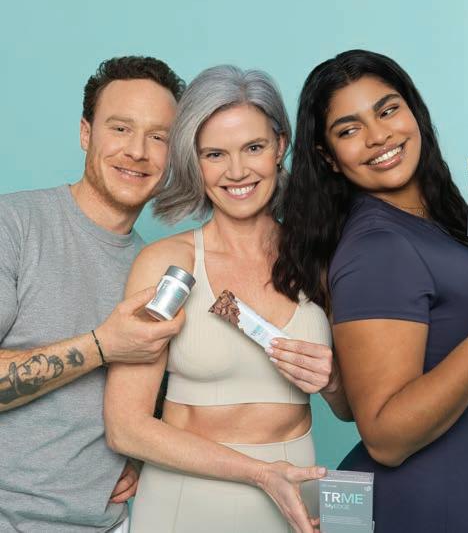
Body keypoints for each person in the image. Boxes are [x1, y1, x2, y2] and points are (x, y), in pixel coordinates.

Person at [274, 49, 468, 533]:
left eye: (388, 110)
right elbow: (385, 438)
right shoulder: (377, 247)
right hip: (406, 512)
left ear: (414, 111)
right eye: (349, 130)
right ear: (328, 157)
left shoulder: (441, 221)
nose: (378, 136)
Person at [104, 65, 351, 533]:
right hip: (183, 499)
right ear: (194, 162)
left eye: (253, 147)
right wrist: (262, 474)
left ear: (280, 145)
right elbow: (125, 427)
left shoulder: (318, 258)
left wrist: (333, 379)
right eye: (215, 154)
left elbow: (349, 411)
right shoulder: (168, 264)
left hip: (295, 499)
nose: (237, 171)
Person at [0, 55, 187, 533]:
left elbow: (152, 399)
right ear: (86, 133)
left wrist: (142, 456)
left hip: (107, 525)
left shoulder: (160, 268)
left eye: (158, 137)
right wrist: (101, 345)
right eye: (120, 128)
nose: (138, 152)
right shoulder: (13, 225)